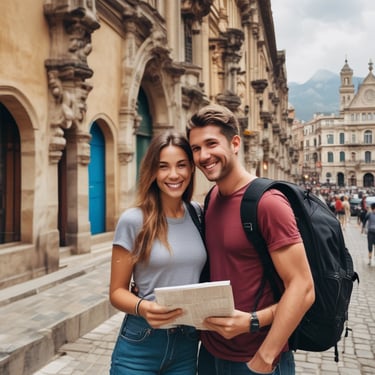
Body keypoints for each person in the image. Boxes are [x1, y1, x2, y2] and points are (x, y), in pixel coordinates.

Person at [186, 104, 315, 375]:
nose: (203, 155)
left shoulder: (268, 203)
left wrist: (264, 356)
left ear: (235, 143)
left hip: (255, 357)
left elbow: (303, 288)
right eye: (196, 148)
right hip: (211, 353)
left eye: (211, 144)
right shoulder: (211, 199)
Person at [109, 131, 207, 375]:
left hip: (187, 343)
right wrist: (143, 307)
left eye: (181, 166)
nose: (173, 175)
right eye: (163, 167)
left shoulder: (199, 214)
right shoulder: (133, 220)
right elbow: (116, 292)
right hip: (140, 343)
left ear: (191, 170)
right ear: (152, 172)